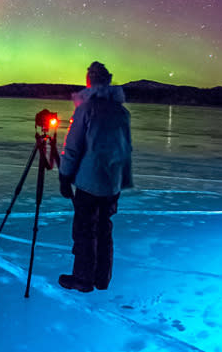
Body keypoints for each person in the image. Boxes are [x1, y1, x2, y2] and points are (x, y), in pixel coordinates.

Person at [57, 61, 133, 293]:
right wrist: (123, 179)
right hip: (112, 182)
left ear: (89, 81)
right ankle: (102, 277)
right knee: (104, 228)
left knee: (84, 230)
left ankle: (83, 278)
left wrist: (64, 176)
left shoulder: (86, 109)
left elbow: (73, 147)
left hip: (90, 182)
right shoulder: (121, 112)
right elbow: (126, 149)